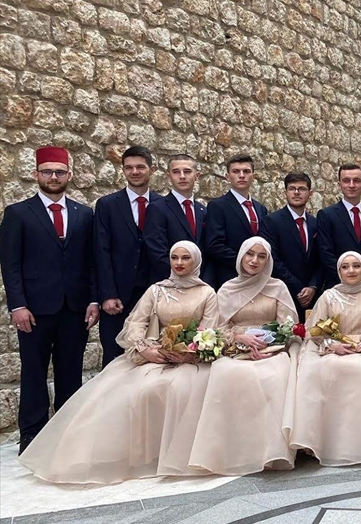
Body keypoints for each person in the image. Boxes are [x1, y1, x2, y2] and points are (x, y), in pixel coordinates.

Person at [18, 242, 218, 483]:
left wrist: (188, 353)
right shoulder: (156, 290)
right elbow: (135, 324)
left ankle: (175, 454)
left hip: (189, 359)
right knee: (130, 391)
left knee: (175, 388)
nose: (179, 263)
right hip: (153, 355)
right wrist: (146, 350)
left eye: (185, 258)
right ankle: (137, 455)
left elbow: (210, 330)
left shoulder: (207, 293)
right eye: (174, 257)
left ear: (195, 261)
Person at [0, 147, 100, 453]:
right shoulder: (18, 214)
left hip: (75, 308)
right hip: (34, 309)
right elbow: (10, 263)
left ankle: (67, 434)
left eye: (59, 172)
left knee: (70, 372)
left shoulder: (85, 214)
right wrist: (17, 305)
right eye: (47, 172)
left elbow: (92, 261)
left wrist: (94, 301)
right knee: (34, 371)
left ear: (69, 175)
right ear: (36, 175)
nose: (53, 177)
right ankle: (32, 435)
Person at [188, 237, 298, 475]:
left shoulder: (277, 287)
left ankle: (269, 451)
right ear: (240, 256)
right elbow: (217, 329)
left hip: (271, 352)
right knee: (226, 374)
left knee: (275, 377)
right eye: (250, 254)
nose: (254, 260)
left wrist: (268, 343)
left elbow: (288, 326)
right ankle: (231, 450)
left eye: (261, 256)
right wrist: (240, 338)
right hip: (234, 351)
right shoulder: (227, 289)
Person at [288, 251, 361, 466]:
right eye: (345, 267)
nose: (351, 271)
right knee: (329, 367)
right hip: (333, 349)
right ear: (338, 271)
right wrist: (332, 345)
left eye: (356, 266)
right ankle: (328, 439)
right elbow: (312, 330)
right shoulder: (327, 296)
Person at [94, 146, 162, 366]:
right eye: (129, 168)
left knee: (154, 355)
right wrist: (107, 294)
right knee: (114, 358)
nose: (134, 172)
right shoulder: (107, 205)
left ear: (152, 169)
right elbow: (101, 250)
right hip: (118, 297)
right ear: (123, 170)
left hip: (155, 293)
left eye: (140, 167)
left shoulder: (164, 205)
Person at [203, 154, 271, 289]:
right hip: (230, 277)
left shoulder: (260, 208)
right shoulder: (218, 206)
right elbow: (214, 245)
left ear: (253, 176)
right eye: (236, 171)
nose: (241, 175)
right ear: (228, 177)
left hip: (258, 279)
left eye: (246, 171)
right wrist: (244, 263)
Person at [315, 164, 361, 290]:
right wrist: (348, 281)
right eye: (346, 181)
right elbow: (325, 252)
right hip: (339, 287)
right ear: (339, 184)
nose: (351, 185)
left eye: (357, 181)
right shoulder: (326, 216)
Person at [265, 172, 322, 319]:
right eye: (292, 188)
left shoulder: (316, 223)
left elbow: (321, 258)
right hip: (284, 294)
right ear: (285, 192)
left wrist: (313, 287)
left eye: (302, 189)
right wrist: (299, 288)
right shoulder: (271, 221)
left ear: (310, 193)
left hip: (313, 297)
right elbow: (273, 259)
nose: (296, 192)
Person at [144, 154, 206, 282]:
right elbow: (156, 250)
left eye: (187, 171)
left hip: (199, 283)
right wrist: (182, 277)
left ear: (197, 176)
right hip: (169, 281)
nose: (182, 176)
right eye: (176, 172)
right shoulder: (157, 208)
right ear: (169, 176)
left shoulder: (203, 210)